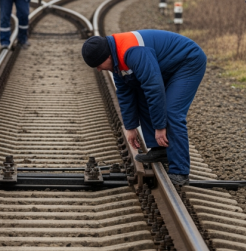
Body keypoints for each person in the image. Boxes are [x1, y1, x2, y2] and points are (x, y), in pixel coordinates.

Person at [81, 30, 207, 187]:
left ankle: (180, 171)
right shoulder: (116, 60)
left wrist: (160, 127)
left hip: (187, 62)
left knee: (172, 112)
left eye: (98, 65)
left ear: (106, 56)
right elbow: (125, 93)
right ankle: (160, 149)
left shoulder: (133, 52)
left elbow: (154, 88)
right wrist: (131, 126)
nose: (99, 70)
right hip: (166, 65)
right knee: (140, 93)